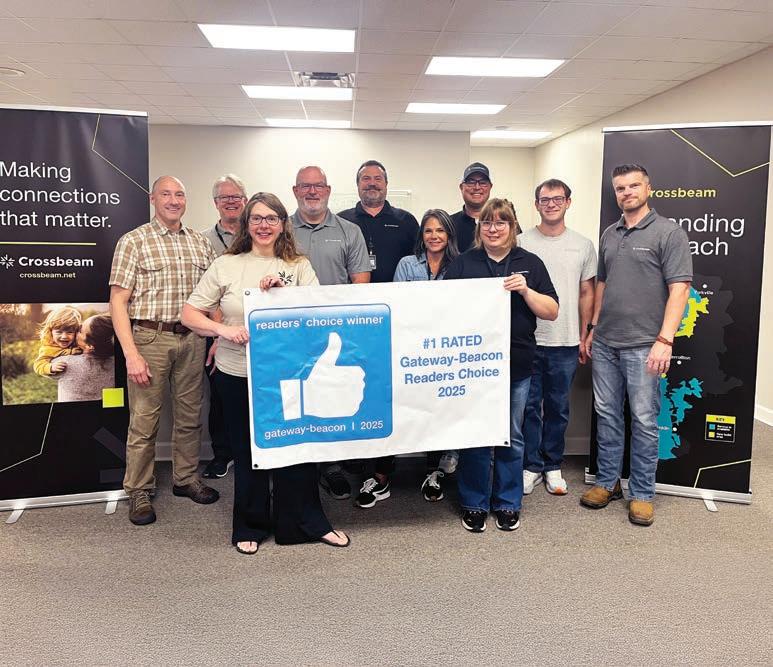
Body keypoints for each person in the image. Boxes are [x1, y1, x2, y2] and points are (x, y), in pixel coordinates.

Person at [182, 192, 350, 554]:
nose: (264, 225)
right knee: (247, 452)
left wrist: (284, 293)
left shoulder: (298, 265)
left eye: (271, 218)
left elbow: (317, 314)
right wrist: (223, 331)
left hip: (289, 375)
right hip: (236, 373)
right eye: (256, 218)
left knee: (295, 449)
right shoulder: (226, 265)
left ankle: (305, 523)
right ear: (246, 224)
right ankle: (250, 525)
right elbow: (189, 314)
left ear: (282, 224)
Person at [583, 164, 691, 527]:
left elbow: (680, 289)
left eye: (633, 186)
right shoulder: (609, 234)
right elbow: (603, 284)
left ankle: (642, 493)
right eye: (620, 188)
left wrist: (665, 340)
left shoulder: (668, 232)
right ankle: (607, 482)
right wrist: (593, 327)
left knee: (644, 419)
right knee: (607, 414)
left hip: (645, 344)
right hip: (606, 342)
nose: (626, 192)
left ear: (648, 189)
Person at [109, 175, 219, 526]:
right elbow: (117, 301)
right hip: (149, 339)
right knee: (145, 420)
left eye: (180, 194)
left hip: (193, 339)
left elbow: (214, 296)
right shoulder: (134, 241)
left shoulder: (200, 243)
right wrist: (131, 354)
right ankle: (139, 490)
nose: (174, 200)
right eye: (166, 194)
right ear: (152, 199)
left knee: (190, 415)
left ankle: (185, 478)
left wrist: (216, 336)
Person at [445, 198, 558, 533]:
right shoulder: (464, 263)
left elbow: (552, 310)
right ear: (479, 228)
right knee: (476, 433)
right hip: (474, 366)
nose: (493, 229)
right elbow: (443, 310)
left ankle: (508, 502)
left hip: (517, 364)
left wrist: (526, 291)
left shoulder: (530, 263)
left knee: (512, 435)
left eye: (501, 223)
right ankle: (474, 502)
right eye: (487, 223)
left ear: (512, 227)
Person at [338, 160, 419, 508]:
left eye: (377, 178)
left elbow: (419, 264)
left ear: (387, 184)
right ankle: (357, 460)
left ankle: (385, 469)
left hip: (396, 324)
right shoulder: (342, 221)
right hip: (354, 324)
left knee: (388, 395)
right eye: (365, 178)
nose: (372, 183)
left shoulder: (406, 221)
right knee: (355, 390)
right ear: (357, 185)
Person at [290, 165, 371, 501]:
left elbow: (361, 282)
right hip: (291, 332)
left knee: (330, 398)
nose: (312, 192)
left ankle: (332, 467)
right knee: (297, 398)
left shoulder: (349, 231)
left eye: (318, 186)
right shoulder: (280, 230)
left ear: (328, 190)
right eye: (305, 186)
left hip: (336, 332)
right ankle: (297, 467)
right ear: (295, 191)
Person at [520, 179, 597, 496]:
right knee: (528, 408)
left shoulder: (583, 245)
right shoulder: (521, 242)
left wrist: (585, 334)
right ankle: (531, 466)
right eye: (545, 199)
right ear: (536, 204)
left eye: (557, 198)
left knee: (558, 408)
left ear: (568, 202)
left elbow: (586, 292)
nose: (551, 204)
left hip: (565, 341)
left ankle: (552, 465)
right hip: (529, 341)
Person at [393, 208, 461, 501]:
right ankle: (420, 463)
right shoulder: (407, 264)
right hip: (414, 347)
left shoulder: (460, 264)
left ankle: (441, 463)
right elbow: (397, 303)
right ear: (422, 235)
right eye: (429, 230)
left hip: (447, 349)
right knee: (419, 405)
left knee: (446, 405)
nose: (434, 236)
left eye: (440, 230)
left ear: (449, 234)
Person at [200, 174, 248, 479]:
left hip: (253, 329)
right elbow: (206, 292)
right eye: (224, 197)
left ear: (245, 200)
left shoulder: (259, 233)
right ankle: (223, 454)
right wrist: (219, 333)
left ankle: (255, 452)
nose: (231, 201)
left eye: (236, 196)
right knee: (219, 395)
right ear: (215, 203)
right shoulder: (202, 240)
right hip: (217, 328)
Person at [57, 314, 115, 403]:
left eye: (80, 330)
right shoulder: (119, 365)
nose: (75, 330)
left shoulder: (66, 363)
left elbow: (43, 364)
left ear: (89, 346)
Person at [450, 162, 493, 252]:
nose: (477, 187)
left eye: (483, 182)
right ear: (461, 187)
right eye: (471, 182)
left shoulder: (505, 221)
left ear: (490, 187)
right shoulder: (449, 224)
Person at [32, 305, 83, 377]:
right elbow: (38, 365)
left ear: (76, 332)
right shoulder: (48, 348)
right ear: (50, 332)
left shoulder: (78, 343)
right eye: (59, 332)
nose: (64, 337)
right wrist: (51, 367)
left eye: (70, 332)